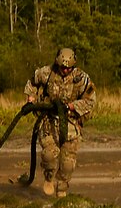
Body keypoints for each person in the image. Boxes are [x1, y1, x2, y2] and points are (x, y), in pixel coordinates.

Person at [24, 46, 96, 196]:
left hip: (70, 124)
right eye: (62, 68)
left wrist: (71, 106)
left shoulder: (82, 79)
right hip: (48, 121)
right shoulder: (46, 72)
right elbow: (32, 82)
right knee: (49, 155)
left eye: (68, 69)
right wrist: (30, 98)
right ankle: (48, 177)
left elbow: (90, 102)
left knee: (68, 164)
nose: (65, 71)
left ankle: (62, 188)